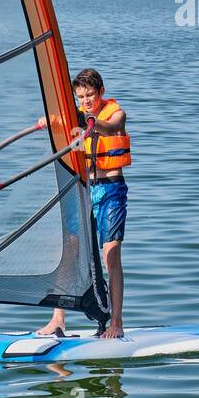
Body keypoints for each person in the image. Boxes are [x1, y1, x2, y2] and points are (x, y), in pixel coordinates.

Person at [37, 68, 130, 338]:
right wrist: (50, 122)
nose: (86, 100)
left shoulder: (115, 114)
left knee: (110, 255)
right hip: (84, 190)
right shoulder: (76, 115)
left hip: (111, 190)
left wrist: (90, 121)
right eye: (80, 97)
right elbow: (57, 120)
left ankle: (116, 322)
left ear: (100, 91)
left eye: (90, 95)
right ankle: (58, 319)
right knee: (70, 251)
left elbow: (112, 127)